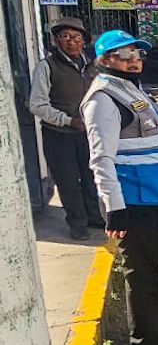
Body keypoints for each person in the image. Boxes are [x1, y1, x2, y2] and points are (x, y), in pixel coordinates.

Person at [81, 30, 158, 345]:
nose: (134, 60)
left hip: (148, 196)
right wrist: (115, 208)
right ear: (105, 60)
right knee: (139, 272)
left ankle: (156, 326)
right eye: (125, 55)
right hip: (131, 200)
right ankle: (146, 342)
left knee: (149, 267)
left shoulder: (127, 89)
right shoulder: (103, 99)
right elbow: (101, 159)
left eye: (137, 54)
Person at [29, 17, 105, 239]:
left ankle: (94, 217)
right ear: (56, 41)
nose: (72, 42)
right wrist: (68, 120)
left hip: (89, 134)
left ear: (84, 41)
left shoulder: (92, 66)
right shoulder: (46, 66)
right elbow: (37, 105)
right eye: (66, 37)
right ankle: (77, 224)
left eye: (77, 37)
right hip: (59, 135)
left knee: (92, 178)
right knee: (68, 182)